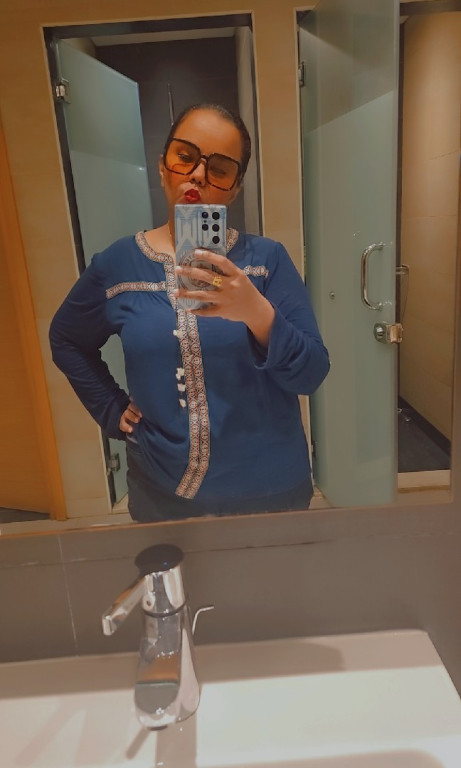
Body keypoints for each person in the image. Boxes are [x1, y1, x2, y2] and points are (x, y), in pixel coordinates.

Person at [49, 103, 330, 522]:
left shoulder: (266, 260)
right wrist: (110, 408)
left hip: (270, 490)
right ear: (163, 167)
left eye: (219, 168)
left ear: (234, 188)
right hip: (162, 489)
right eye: (186, 156)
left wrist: (257, 313)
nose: (198, 174)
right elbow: (66, 338)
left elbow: (310, 375)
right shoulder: (118, 264)